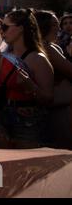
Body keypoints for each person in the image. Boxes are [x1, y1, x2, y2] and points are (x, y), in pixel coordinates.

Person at [0, 9, 54, 149]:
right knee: (3, 164)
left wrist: (31, 86)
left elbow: (49, 98)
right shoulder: (4, 55)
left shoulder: (37, 59)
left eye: (5, 27)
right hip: (3, 114)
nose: (2, 31)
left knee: (24, 167)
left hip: (28, 120)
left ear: (20, 28)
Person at [34, 10, 72, 149]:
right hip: (57, 108)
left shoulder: (44, 46)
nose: (59, 28)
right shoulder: (47, 48)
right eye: (55, 24)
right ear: (44, 27)